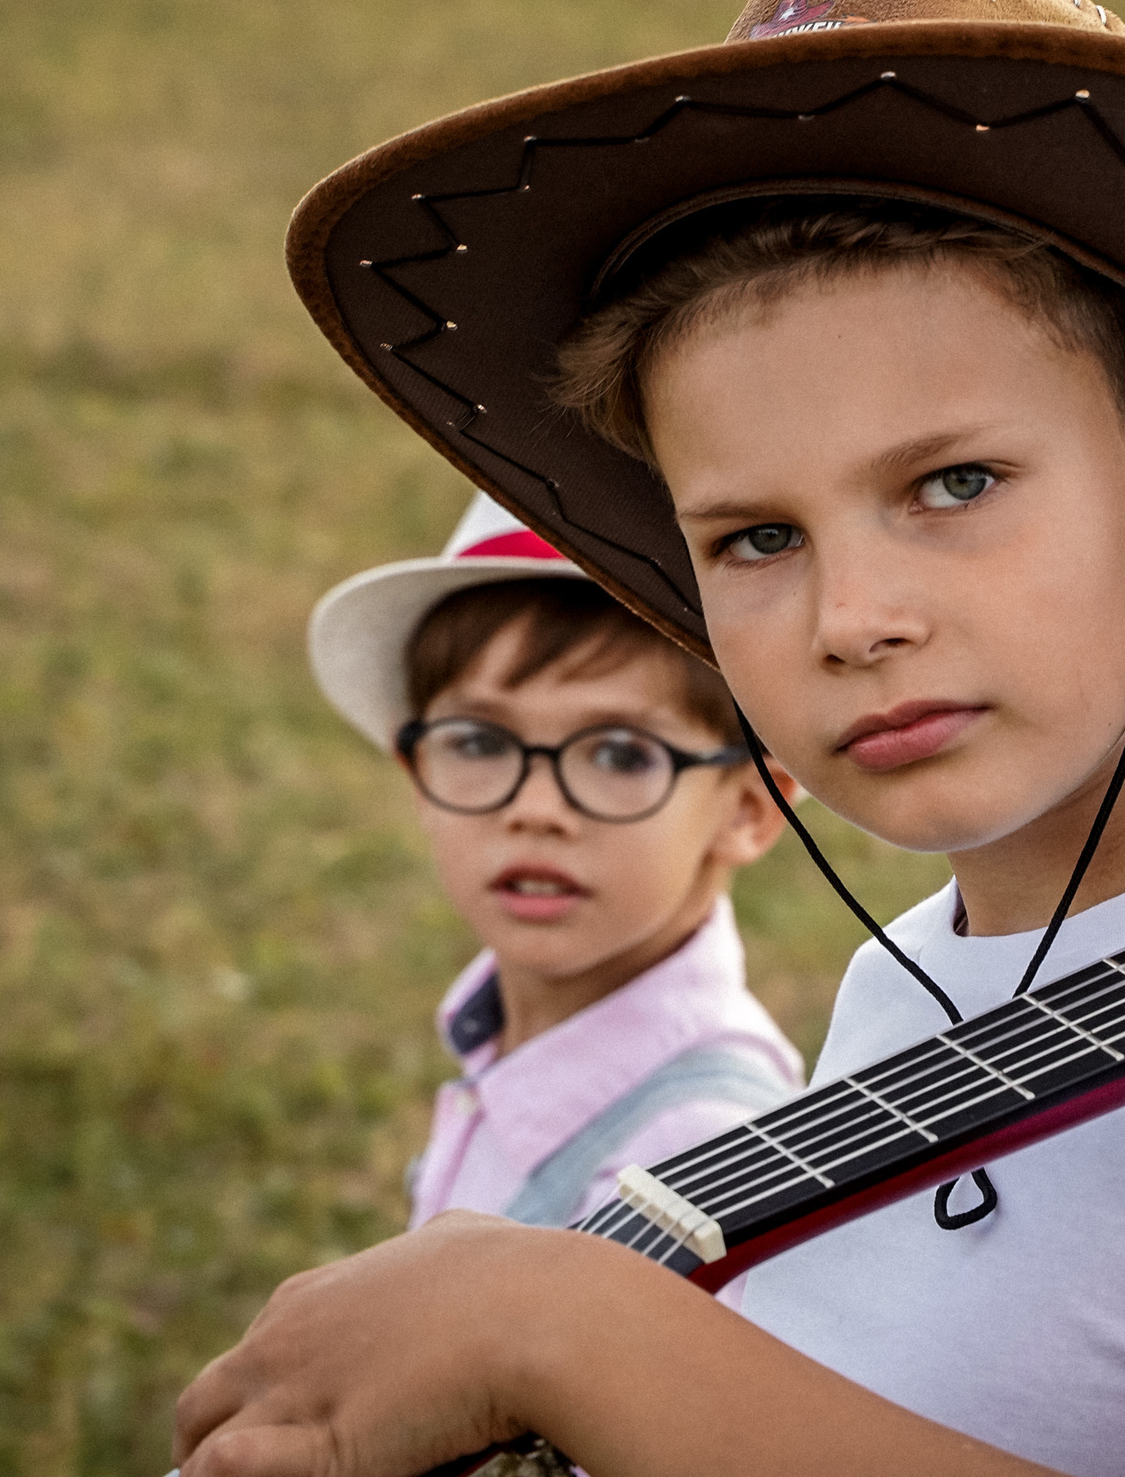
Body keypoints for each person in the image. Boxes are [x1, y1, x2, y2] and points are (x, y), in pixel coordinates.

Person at [179, 0, 1125, 1477]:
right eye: (757, 538)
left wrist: (560, 1322)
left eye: (955, 482)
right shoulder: (915, 974)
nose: (852, 619)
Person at [307, 491, 805, 1228]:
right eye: (479, 742)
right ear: (418, 772)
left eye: (619, 754)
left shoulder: (696, 1152)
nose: (535, 807)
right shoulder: (505, 1033)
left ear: (748, 810)